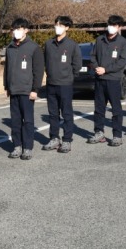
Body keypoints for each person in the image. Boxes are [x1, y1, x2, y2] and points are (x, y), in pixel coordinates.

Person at [3, 18, 44, 160]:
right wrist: (6, 86)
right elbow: (6, 69)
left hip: (27, 90)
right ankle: (17, 146)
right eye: (14, 29)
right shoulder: (10, 48)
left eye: (19, 28)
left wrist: (35, 89)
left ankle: (27, 147)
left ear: (26, 30)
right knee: (15, 120)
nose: (16, 31)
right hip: (13, 89)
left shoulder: (34, 48)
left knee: (27, 120)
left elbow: (38, 71)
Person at [87, 15, 126, 147]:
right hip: (99, 79)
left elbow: (122, 62)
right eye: (110, 24)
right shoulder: (100, 39)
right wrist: (97, 68)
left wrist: (106, 69)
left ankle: (117, 135)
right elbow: (92, 56)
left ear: (119, 27)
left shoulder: (123, 42)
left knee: (116, 109)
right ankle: (99, 132)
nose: (111, 27)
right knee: (99, 108)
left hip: (113, 80)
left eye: (115, 25)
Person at [42, 16, 82, 154]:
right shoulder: (48, 44)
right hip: (51, 83)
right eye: (56, 24)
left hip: (65, 84)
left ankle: (67, 139)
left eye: (60, 25)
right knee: (53, 113)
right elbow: (45, 62)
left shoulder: (72, 45)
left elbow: (77, 65)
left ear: (67, 28)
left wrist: (69, 77)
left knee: (66, 113)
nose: (57, 27)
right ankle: (54, 138)